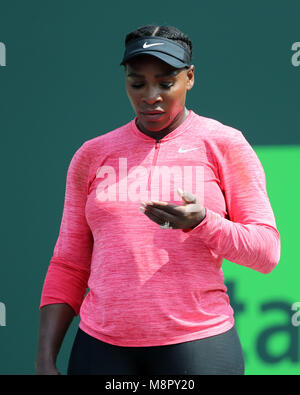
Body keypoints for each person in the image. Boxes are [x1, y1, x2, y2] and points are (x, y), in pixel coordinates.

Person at [35, 24, 281, 375]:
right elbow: (69, 263)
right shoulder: (92, 154)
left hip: (198, 344)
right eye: (137, 83)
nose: (151, 95)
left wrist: (202, 223)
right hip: (101, 348)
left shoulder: (225, 144)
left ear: (190, 78)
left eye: (166, 83)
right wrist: (44, 359)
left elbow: (266, 252)